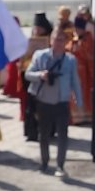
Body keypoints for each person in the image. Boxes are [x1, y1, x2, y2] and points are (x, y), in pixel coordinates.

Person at [25, 28, 83, 177]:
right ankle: (44, 162)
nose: (58, 43)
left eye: (61, 40)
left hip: (62, 101)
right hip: (44, 101)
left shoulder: (70, 60)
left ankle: (60, 165)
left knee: (63, 135)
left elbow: (75, 81)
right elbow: (28, 74)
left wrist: (79, 101)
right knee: (43, 134)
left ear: (65, 42)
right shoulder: (40, 56)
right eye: (56, 40)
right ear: (50, 41)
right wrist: (40, 75)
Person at [19, 12, 53, 142]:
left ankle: (46, 131)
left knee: (45, 106)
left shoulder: (50, 40)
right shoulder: (30, 40)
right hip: (31, 75)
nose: (37, 30)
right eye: (35, 28)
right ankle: (31, 132)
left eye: (39, 28)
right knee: (30, 106)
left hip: (45, 77)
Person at [67, 17, 94, 124]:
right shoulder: (74, 38)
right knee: (73, 93)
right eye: (76, 29)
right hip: (73, 70)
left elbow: (90, 55)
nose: (77, 31)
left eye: (78, 29)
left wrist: (79, 48)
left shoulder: (88, 38)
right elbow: (68, 49)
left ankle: (85, 116)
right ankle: (75, 117)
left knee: (83, 92)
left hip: (84, 72)